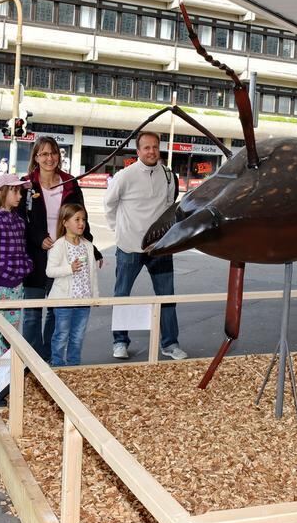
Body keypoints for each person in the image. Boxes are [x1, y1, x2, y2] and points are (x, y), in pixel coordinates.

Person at [103, 131, 187, 361]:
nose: (151, 151)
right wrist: (118, 231)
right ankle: (120, 341)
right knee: (122, 296)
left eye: (155, 147)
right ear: (138, 151)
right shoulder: (125, 176)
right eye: (146, 148)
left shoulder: (169, 176)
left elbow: (170, 209)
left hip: (159, 248)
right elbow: (109, 205)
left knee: (166, 296)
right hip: (129, 247)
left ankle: (170, 344)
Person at [17, 137, 101, 360]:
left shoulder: (70, 183)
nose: (49, 158)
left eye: (53, 153)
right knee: (32, 314)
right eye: (43, 154)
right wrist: (38, 238)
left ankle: (47, 358)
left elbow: (81, 216)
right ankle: (30, 359)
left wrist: (94, 249)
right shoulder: (26, 184)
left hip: (64, 254)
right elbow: (20, 220)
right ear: (36, 158)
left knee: (56, 312)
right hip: (35, 257)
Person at [0, 174, 34, 365]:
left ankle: (2, 378)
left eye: (20, 190)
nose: (19, 195)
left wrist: (26, 266)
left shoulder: (19, 222)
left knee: (10, 334)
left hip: (16, 287)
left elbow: (22, 250)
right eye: (14, 190)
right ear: (1, 192)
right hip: (0, 288)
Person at [46, 203, 99, 366]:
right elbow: (50, 271)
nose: (81, 223)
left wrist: (95, 297)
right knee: (61, 334)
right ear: (65, 222)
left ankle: (74, 366)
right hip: (64, 300)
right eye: (76, 219)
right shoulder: (59, 245)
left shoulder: (88, 246)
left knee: (78, 336)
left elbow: (92, 274)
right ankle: (58, 365)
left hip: (83, 300)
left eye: (83, 219)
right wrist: (69, 268)